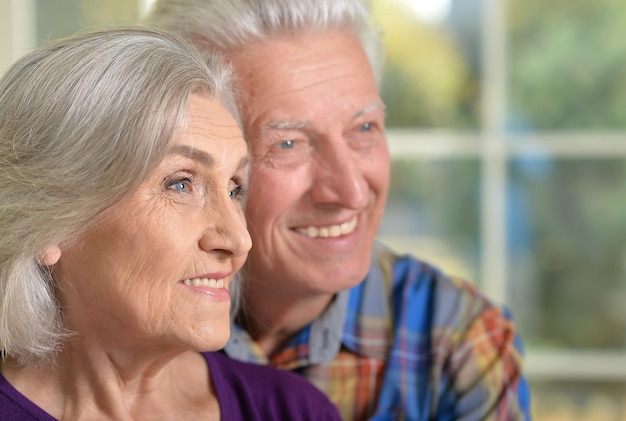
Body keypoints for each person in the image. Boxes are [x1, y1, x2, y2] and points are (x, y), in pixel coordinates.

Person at [145, 1, 532, 419]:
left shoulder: (458, 344)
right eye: (287, 144)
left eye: (364, 129)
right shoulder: (119, 326)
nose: (350, 191)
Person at [0, 27, 342, 420]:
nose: (238, 239)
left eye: (234, 188)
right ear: (49, 220)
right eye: (181, 183)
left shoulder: (294, 410)